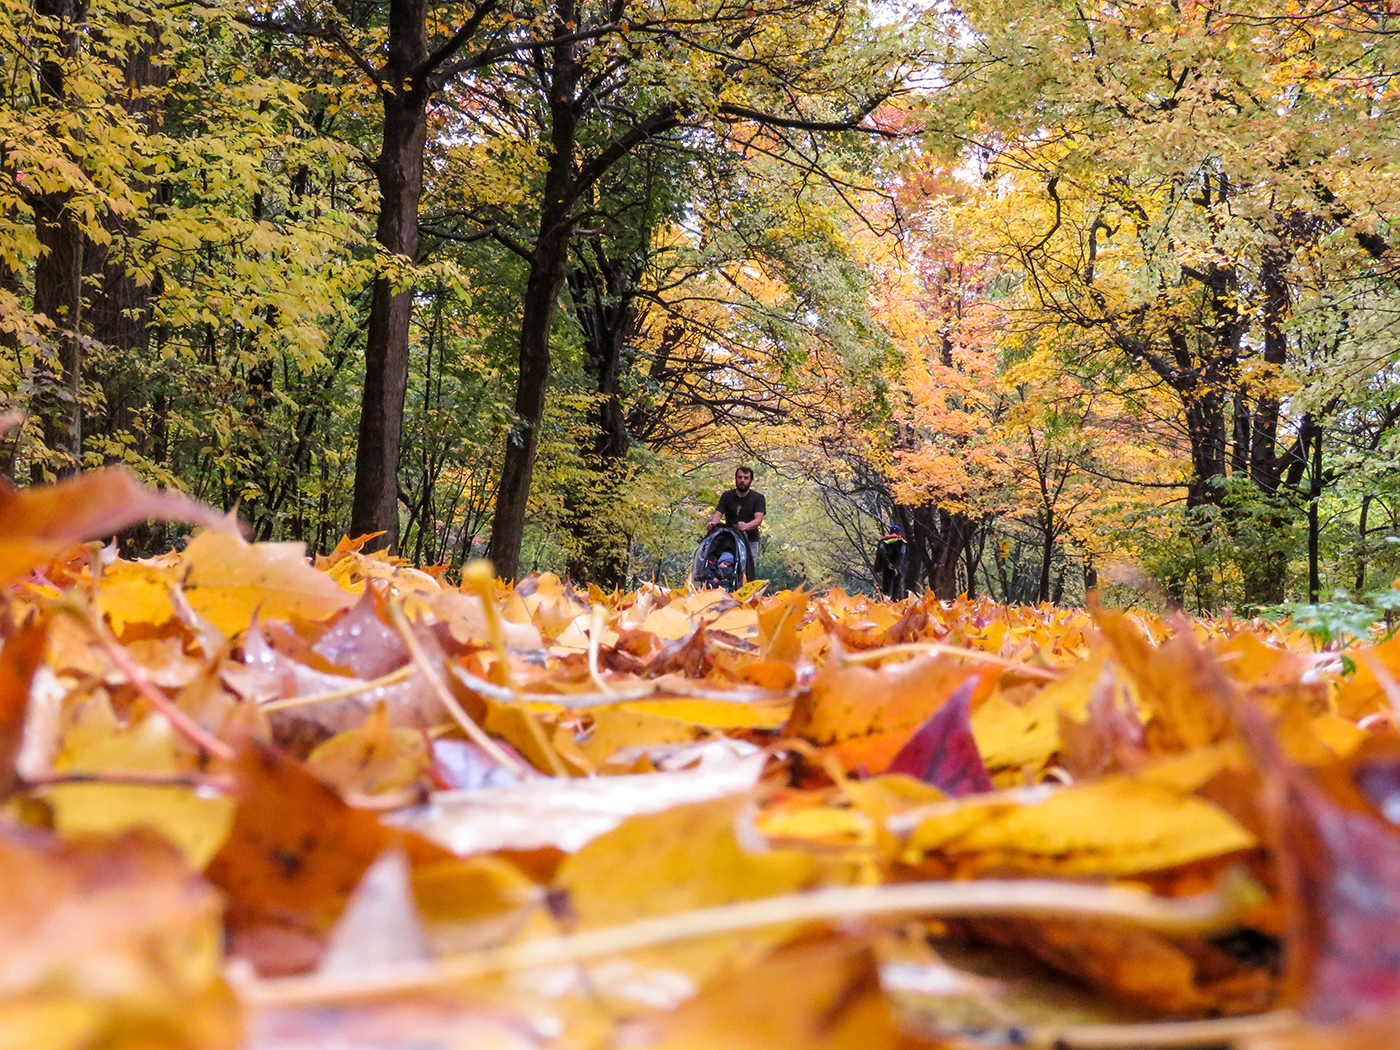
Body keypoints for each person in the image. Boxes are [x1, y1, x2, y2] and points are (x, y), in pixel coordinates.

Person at [707, 465, 765, 575]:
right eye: (740, 477)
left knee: (747, 573)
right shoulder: (727, 496)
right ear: (736, 479)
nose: (742, 480)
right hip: (729, 540)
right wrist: (712, 524)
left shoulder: (758, 498)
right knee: (724, 568)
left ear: (751, 480)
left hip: (750, 540)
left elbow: (758, 519)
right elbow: (718, 514)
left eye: (746, 478)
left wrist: (746, 526)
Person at [873, 524, 907, 600]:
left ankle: (885, 605)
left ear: (890, 532)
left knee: (886, 589)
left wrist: (888, 563)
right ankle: (895, 604)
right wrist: (895, 566)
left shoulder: (883, 540)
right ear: (899, 533)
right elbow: (902, 554)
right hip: (899, 568)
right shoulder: (902, 541)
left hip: (886, 567)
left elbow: (881, 550)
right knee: (896, 588)